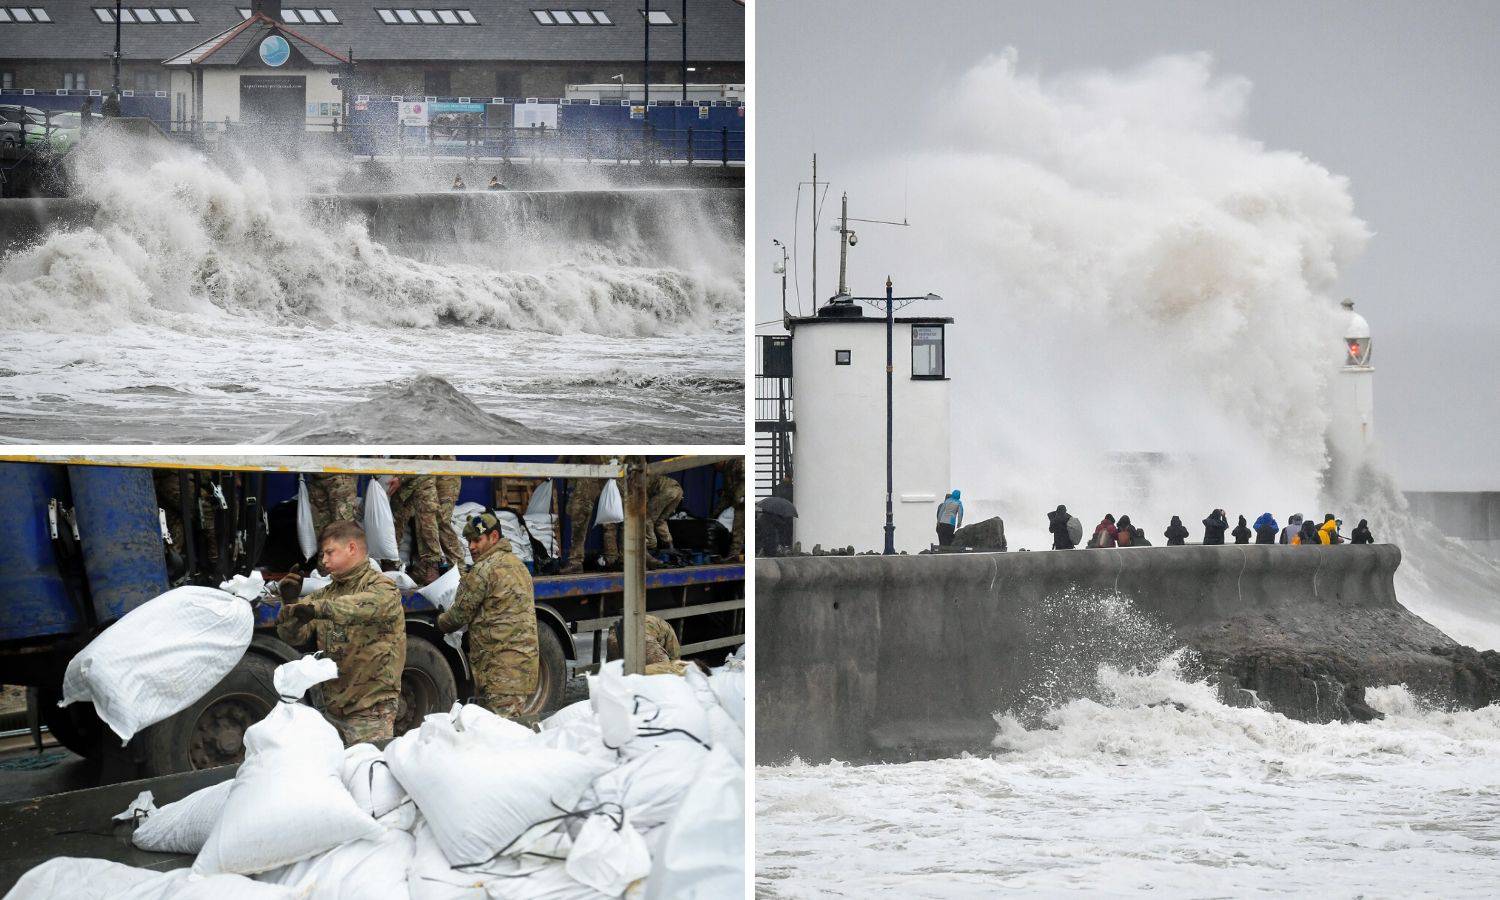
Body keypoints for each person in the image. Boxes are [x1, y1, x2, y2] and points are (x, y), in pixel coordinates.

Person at [277, 522, 406, 745]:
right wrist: (290, 604)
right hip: (333, 709)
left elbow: (360, 607)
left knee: (365, 774)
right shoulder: (326, 593)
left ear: (352, 548)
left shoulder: (383, 587)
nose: (324, 561)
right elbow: (293, 637)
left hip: (370, 710)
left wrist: (317, 609)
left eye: (329, 552)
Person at [436, 512, 539, 718]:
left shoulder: (484, 570)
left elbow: (458, 615)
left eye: (477, 540)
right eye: (469, 541)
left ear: (493, 538)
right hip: (521, 666)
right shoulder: (518, 565)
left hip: (500, 671)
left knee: (501, 737)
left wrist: (439, 622)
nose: (472, 547)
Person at [560, 455, 618, 574]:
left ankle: (613, 559)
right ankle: (578, 562)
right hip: (596, 470)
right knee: (583, 516)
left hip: (603, 470)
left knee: (611, 517)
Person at [388, 472, 444, 584]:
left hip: (422, 478)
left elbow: (424, 459)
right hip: (401, 484)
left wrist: (401, 478)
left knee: (427, 522)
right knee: (394, 521)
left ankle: (431, 566)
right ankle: (390, 563)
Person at [607, 614, 685, 675]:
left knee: (618, 674)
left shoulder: (655, 622)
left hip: (614, 636)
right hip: (643, 637)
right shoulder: (668, 628)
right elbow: (675, 658)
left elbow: (611, 663)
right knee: (666, 673)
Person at [430, 456, 466, 570]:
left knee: (442, 521)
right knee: (427, 521)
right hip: (430, 477)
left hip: (447, 478)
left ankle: (458, 566)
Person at [306, 473, 359, 546]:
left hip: (338, 476)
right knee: (322, 532)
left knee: (343, 529)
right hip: (318, 476)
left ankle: (347, 556)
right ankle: (329, 555)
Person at [646, 472, 684, 556]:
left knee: (647, 518)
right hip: (678, 491)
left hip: (666, 491)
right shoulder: (650, 475)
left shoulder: (639, 480)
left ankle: (651, 546)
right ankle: (670, 546)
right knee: (661, 520)